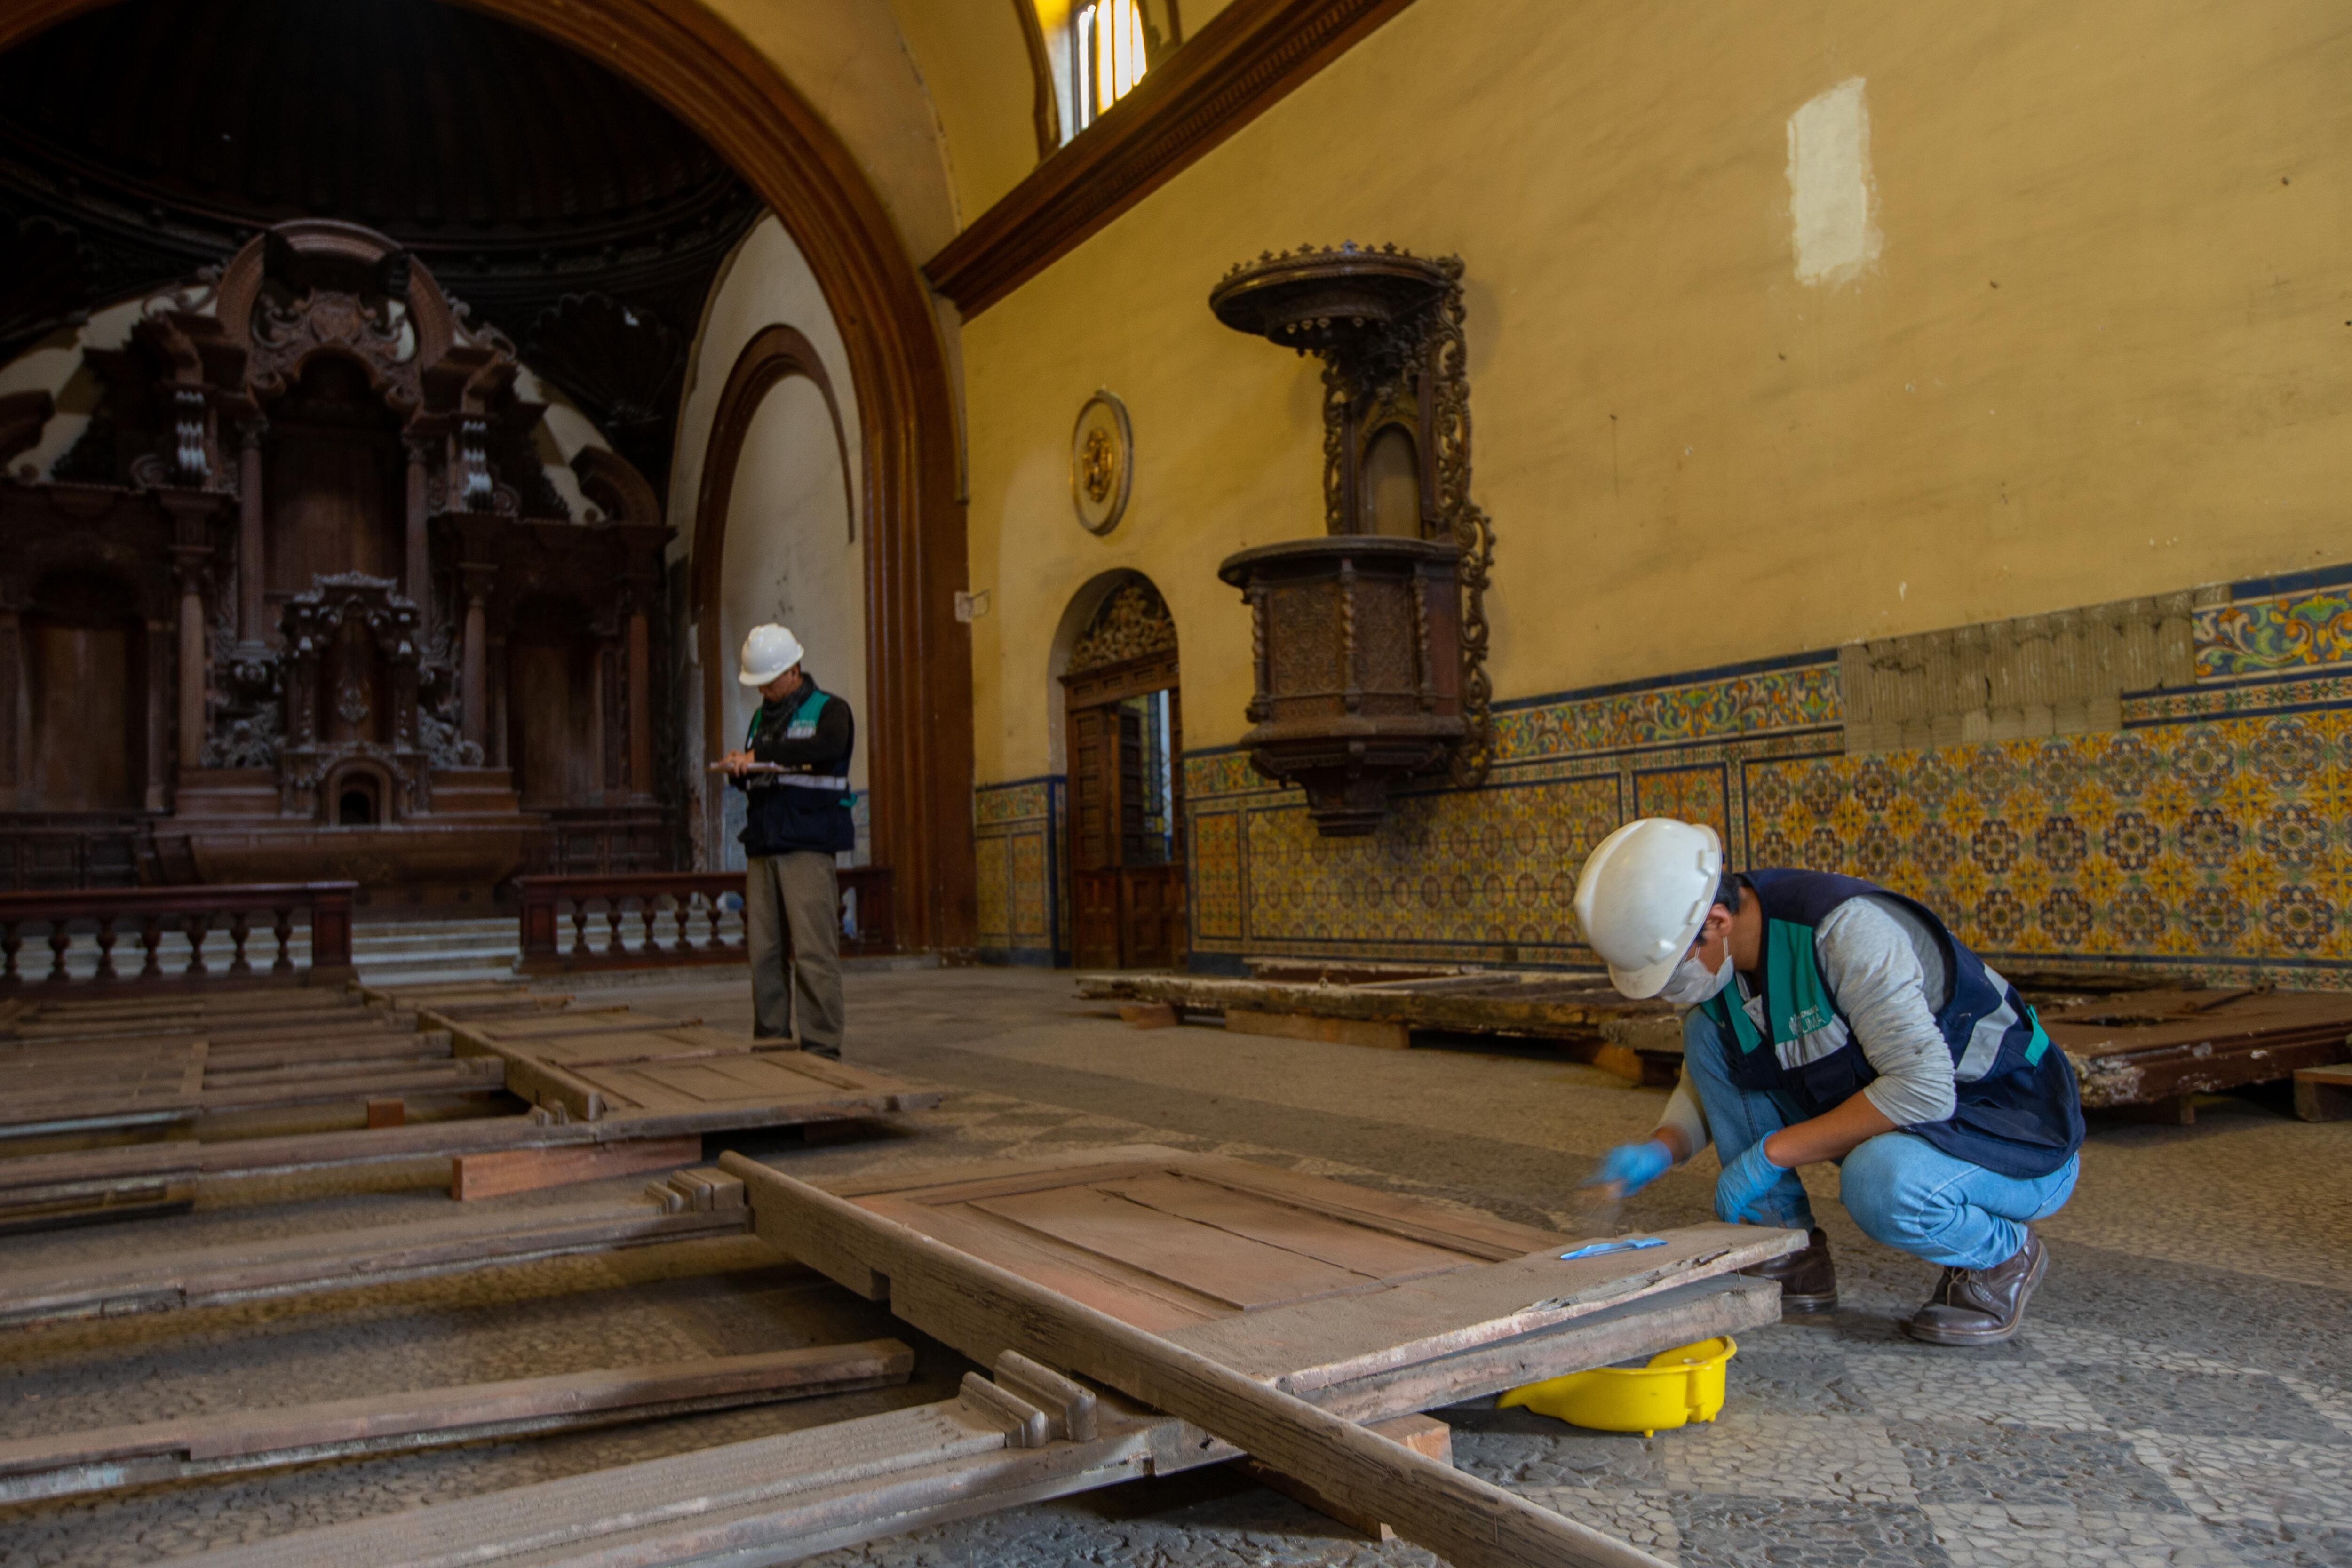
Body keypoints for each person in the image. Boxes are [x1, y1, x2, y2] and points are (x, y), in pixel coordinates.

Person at [1571, 818, 2083, 1345]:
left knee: (1878, 1182)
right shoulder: (1728, 969)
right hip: (1921, 1125)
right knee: (1707, 1031)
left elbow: (1923, 1089)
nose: (1670, 987)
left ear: (1718, 920)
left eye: (1671, 968)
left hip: (2013, 1135)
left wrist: (1770, 1154)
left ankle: (2002, 1256)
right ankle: (1786, 1252)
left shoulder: (1844, 933)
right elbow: (1716, 1077)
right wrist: (1660, 1149)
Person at [718, 624, 855, 1059]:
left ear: (794, 669)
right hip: (764, 844)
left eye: (769, 681)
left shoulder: (830, 709)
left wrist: (763, 756)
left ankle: (821, 1048)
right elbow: (761, 777)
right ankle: (771, 1043)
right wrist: (741, 770)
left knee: (814, 953)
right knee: (765, 953)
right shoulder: (761, 718)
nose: (764, 691)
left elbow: (829, 748)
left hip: (808, 846)